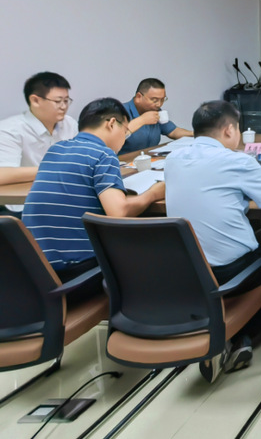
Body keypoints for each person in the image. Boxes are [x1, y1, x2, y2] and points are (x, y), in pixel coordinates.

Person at [166, 100, 261, 381]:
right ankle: (236, 338)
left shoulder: (173, 159)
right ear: (229, 130)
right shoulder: (237, 161)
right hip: (230, 271)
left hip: (187, 271)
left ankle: (230, 338)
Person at [22, 98, 166, 303]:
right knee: (155, 247)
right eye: (125, 131)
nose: (124, 138)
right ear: (111, 123)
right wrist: (153, 193)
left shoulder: (55, 150)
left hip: (34, 277)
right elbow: (119, 212)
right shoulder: (103, 154)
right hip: (74, 278)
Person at [0, 72, 78, 188]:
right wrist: (54, 169)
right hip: (25, 197)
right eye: (58, 101)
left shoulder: (70, 124)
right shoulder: (10, 130)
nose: (63, 107)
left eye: (66, 101)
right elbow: (3, 174)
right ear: (35, 100)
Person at [119, 78, 193, 154]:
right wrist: (142, 120)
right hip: (123, 160)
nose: (159, 104)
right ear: (138, 97)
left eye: (162, 100)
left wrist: (194, 133)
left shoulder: (156, 111)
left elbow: (173, 131)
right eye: (155, 100)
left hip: (150, 158)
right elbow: (115, 138)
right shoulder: (119, 111)